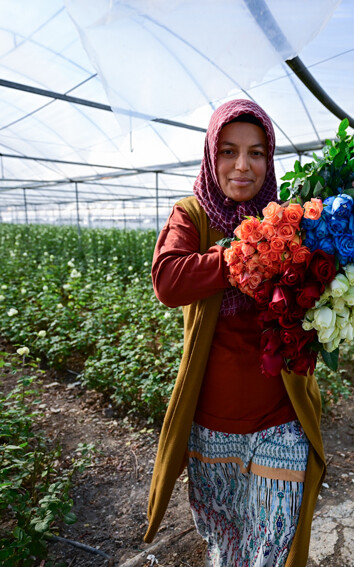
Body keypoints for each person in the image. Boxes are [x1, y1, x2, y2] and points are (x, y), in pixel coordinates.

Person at [145, 99, 326, 567]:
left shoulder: (292, 220)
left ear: (270, 160)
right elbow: (168, 280)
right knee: (225, 546)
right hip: (212, 426)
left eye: (257, 153)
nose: (242, 166)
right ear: (211, 156)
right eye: (228, 151)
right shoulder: (193, 215)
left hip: (280, 418)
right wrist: (240, 253)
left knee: (270, 549)